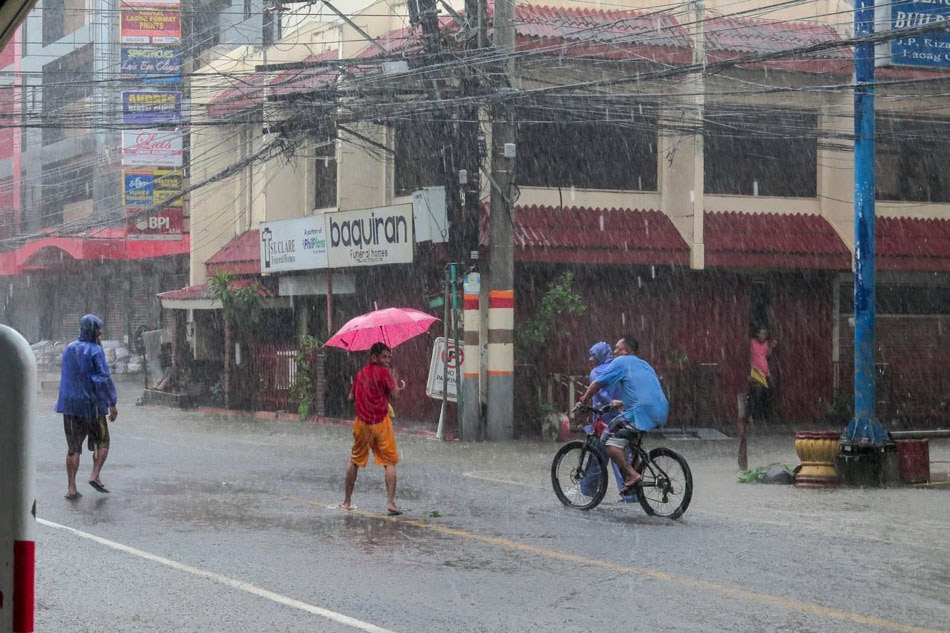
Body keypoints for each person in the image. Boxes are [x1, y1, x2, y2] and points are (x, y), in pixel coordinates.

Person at [578, 335, 668, 495]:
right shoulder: (644, 364)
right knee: (630, 444)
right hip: (660, 410)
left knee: (606, 439)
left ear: (626, 350)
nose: (614, 352)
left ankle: (632, 475)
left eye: (617, 349)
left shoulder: (620, 362)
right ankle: (633, 485)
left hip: (638, 412)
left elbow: (597, 384)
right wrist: (621, 403)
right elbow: (642, 390)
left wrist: (584, 399)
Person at [55, 314, 118, 500]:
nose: (101, 333)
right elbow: (102, 378)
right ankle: (94, 475)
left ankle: (71, 488)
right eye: (99, 329)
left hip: (70, 406)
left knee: (73, 448)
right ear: (94, 330)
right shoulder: (96, 351)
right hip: (92, 406)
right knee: (103, 441)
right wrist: (112, 402)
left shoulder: (69, 349)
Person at [339, 342, 405, 515]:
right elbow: (396, 396)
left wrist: (362, 390)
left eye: (389, 357)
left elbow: (350, 397)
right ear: (374, 357)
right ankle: (390, 502)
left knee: (355, 461)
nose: (387, 360)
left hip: (362, 424)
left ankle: (347, 502)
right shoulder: (385, 374)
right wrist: (395, 380)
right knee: (389, 462)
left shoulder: (361, 374)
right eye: (384, 357)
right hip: (381, 424)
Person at [747, 327, 776, 423]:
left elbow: (767, 355)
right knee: (756, 392)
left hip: (765, 371)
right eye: (761, 334)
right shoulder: (752, 342)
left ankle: (764, 414)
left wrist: (771, 347)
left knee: (768, 392)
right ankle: (751, 415)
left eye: (764, 334)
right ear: (757, 334)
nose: (762, 336)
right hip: (755, 372)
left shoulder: (766, 344)